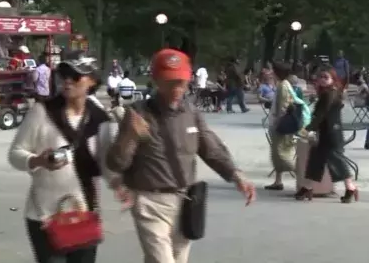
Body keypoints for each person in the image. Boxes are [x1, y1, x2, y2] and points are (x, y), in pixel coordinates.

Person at [105, 48, 256, 263]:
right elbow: (116, 163)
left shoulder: (191, 113)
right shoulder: (138, 113)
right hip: (149, 202)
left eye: (181, 81)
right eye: (170, 81)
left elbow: (211, 149)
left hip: (185, 200)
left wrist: (236, 175)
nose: (177, 87)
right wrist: (129, 136)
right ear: (156, 80)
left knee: (177, 259)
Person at [7, 51, 120, 263]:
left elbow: (107, 165)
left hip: (83, 214)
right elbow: (15, 154)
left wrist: (121, 183)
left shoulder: (100, 118)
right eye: (64, 75)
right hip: (45, 215)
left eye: (76, 76)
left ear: (92, 81)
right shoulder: (42, 112)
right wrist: (38, 160)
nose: (67, 81)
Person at [296, 67, 358, 203]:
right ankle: (307, 187)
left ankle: (350, 187)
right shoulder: (327, 93)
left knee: (336, 161)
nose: (323, 80)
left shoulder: (331, 93)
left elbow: (321, 114)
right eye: (321, 77)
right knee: (316, 160)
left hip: (332, 133)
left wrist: (307, 129)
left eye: (326, 77)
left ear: (333, 80)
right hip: (326, 132)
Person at [265, 62, 297, 190]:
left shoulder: (283, 86)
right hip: (278, 123)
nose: (271, 72)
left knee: (281, 153)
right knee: (276, 154)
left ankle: (302, 174)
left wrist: (278, 122)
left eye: (273, 70)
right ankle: (278, 181)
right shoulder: (282, 84)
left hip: (280, 125)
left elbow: (283, 107)